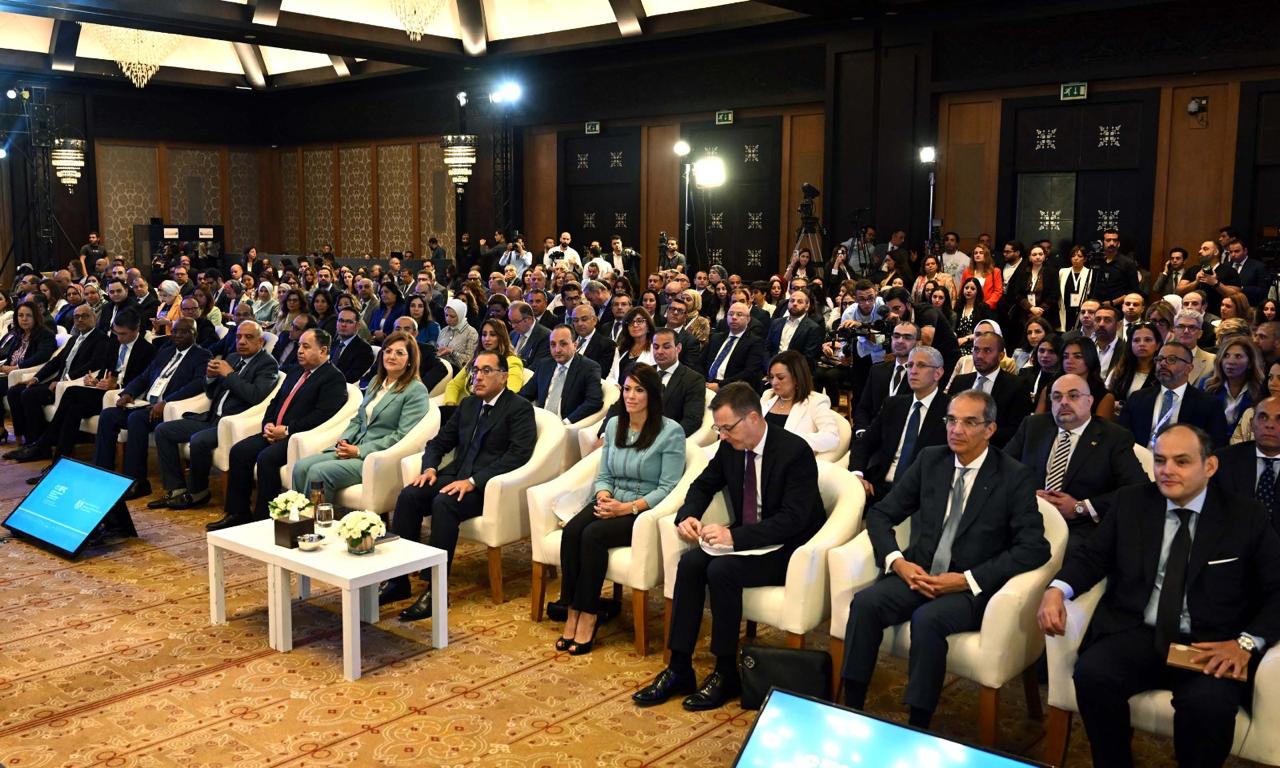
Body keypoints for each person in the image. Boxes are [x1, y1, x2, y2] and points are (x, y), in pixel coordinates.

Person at [1038, 423, 1280, 768]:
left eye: (1182, 461)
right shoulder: (1131, 502)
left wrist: (1245, 643)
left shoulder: (1245, 516)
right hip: (1138, 630)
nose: (1167, 470)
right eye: (1160, 460)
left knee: (1207, 707)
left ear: (1209, 466)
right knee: (1093, 674)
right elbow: (1092, 557)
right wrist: (1056, 590)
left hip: (1209, 643)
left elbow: (1276, 589)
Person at [840, 390, 1049, 728]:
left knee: (928, 620)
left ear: (990, 429)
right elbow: (881, 514)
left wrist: (966, 580)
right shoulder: (931, 460)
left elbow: (1034, 547)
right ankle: (850, 707)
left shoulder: (1013, 476)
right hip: (918, 572)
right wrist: (897, 562)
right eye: (951, 420)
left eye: (969, 422)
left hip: (969, 588)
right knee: (865, 604)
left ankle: (918, 724)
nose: (956, 429)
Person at [633, 382, 825, 711]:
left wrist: (734, 538)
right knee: (691, 564)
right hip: (750, 538)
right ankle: (679, 667)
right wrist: (688, 515)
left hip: (791, 549)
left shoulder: (794, 452)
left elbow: (793, 519)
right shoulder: (731, 448)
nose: (722, 436)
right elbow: (703, 484)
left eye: (727, 428)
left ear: (753, 418)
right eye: (718, 429)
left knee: (723, 570)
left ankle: (725, 672)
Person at [390, 351, 538, 619]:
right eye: (475, 371)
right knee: (410, 495)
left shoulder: (519, 408)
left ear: (504, 377)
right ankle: (398, 579)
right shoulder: (469, 405)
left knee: (444, 503)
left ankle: (436, 590)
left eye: (486, 371)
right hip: (455, 474)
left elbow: (517, 456)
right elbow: (438, 443)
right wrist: (429, 468)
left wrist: (473, 481)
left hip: (487, 486)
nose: (477, 377)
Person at [555, 364, 685, 654]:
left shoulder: (670, 432)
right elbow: (604, 474)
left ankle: (589, 615)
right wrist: (603, 495)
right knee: (573, 531)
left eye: (639, 390)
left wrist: (626, 508)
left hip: (642, 510)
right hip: (611, 500)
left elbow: (668, 488)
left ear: (652, 395)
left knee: (593, 536)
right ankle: (572, 609)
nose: (630, 396)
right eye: (627, 389)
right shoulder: (615, 425)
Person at [209, 329, 348, 530]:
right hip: (275, 431)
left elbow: (323, 416)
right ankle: (237, 512)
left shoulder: (333, 378)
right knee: (239, 451)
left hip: (299, 436)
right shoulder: (296, 371)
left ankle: (263, 520)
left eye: (306, 347)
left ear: (323, 350)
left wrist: (288, 430)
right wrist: (268, 423)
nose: (299, 351)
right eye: (299, 346)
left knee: (266, 459)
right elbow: (275, 402)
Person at [1006, 373, 1148, 555]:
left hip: (1079, 526)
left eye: (1073, 396)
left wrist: (1081, 507)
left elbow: (1138, 489)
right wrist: (1028, 495)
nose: (1064, 402)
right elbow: (1001, 469)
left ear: (1089, 401)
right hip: (1026, 516)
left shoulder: (1114, 437)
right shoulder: (1033, 426)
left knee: (1061, 554)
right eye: (1057, 397)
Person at [151, 321, 278, 509]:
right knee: (163, 431)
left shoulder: (267, 364)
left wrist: (229, 375)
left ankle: (198, 492)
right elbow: (212, 393)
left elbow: (255, 396)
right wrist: (210, 377)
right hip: (211, 418)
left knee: (199, 440)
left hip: (233, 423)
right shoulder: (233, 357)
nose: (242, 341)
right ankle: (176, 489)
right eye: (238, 337)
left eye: (248, 337)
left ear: (260, 342)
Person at [8, 309, 155, 469]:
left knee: (72, 393)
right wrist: (95, 380)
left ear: (136, 329)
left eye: (123, 334)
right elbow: (105, 370)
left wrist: (117, 386)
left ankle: (42, 444)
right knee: (74, 410)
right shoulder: (114, 343)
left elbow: (142, 381)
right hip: (102, 392)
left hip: (121, 397)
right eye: (116, 333)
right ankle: (57, 463)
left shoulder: (147, 350)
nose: (119, 338)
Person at [293, 331, 428, 500]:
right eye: (388, 351)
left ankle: (317, 516)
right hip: (353, 447)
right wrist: (345, 440)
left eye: (399, 353)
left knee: (318, 472)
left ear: (410, 360)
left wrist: (359, 450)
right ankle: (299, 516)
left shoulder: (415, 390)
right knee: (300, 467)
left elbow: (402, 435)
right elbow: (359, 419)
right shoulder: (376, 382)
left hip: (376, 457)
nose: (392, 356)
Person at [92, 318, 212, 500]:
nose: (177, 335)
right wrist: (129, 392)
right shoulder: (165, 352)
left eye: (184, 332)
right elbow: (145, 376)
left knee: (136, 419)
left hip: (170, 409)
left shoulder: (202, 355)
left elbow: (197, 385)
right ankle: (102, 472)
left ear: (194, 334)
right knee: (109, 415)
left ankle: (137, 482)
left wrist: (166, 402)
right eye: (175, 331)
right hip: (146, 404)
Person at [4, 304, 112, 452]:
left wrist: (64, 380)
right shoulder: (74, 339)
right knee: (15, 391)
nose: (80, 320)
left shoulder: (101, 339)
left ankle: (39, 443)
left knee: (29, 394)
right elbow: (55, 362)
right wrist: (35, 378)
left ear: (94, 318)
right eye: (76, 317)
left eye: (84, 316)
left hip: (70, 385)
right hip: (57, 382)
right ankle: (27, 441)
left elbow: (95, 364)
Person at [849, 345, 951, 498]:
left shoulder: (951, 410)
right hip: (879, 487)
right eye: (910, 365)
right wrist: (857, 475)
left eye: (921, 365)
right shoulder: (893, 405)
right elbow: (864, 444)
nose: (913, 371)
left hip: (921, 494)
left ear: (938, 373)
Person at [1116, 341, 1230, 449]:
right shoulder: (1137, 398)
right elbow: (1122, 438)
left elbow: (1216, 444)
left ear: (1188, 368)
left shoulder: (1208, 404)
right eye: (1159, 359)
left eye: (1171, 359)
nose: (1162, 363)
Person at [947, 331, 1029, 448]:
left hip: (995, 450)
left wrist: (977, 435)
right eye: (976, 350)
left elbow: (1016, 430)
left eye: (987, 351)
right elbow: (948, 417)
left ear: (1001, 356)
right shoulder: (960, 382)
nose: (979, 356)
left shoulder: (1016, 385)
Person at [1214, 395, 1280, 532]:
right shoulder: (1222, 461)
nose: (1269, 425)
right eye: (1263, 417)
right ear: (1251, 424)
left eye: (1279, 419)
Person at [760, 349, 841, 455]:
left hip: (789, 458)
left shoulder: (816, 401)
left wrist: (790, 440)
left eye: (780, 377)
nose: (774, 382)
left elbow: (832, 437)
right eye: (771, 377)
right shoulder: (767, 395)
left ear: (797, 378)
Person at [519, 324, 603, 424]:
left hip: (566, 424)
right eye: (553, 344)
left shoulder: (589, 368)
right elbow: (525, 394)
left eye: (563, 344)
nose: (557, 350)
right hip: (540, 421)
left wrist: (566, 422)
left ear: (575, 345)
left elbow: (594, 402)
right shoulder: (544, 365)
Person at [1202, 335, 1266, 438]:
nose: (1230, 361)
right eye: (1226, 356)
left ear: (1250, 363)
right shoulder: (1207, 384)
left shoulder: (1260, 389)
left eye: (1238, 356)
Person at [700, 302, 766, 393]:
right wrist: (702, 381)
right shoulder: (715, 338)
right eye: (730, 314)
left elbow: (749, 372)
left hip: (732, 389)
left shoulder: (755, 342)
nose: (734, 317)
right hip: (706, 384)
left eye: (739, 314)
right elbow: (700, 362)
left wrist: (721, 385)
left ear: (748, 319)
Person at [765, 289, 824, 372]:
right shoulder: (776, 323)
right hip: (772, 367)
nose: (795, 304)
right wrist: (769, 367)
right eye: (792, 301)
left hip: (795, 371)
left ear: (807, 306)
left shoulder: (813, 328)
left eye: (800, 302)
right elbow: (767, 348)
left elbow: (808, 357)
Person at [1105, 321, 1162, 404]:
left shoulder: (1163, 373)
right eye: (1136, 340)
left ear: (1158, 345)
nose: (1142, 344)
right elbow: (1107, 398)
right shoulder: (1119, 371)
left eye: (1148, 340)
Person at [328, 307, 376, 384]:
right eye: (340, 320)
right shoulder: (334, 344)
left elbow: (351, 378)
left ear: (357, 326)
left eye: (349, 322)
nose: (343, 324)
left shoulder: (364, 350)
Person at [436, 298, 479, 373]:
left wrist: (452, 352)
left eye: (452, 316)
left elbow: (470, 362)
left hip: (459, 373)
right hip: (439, 369)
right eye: (446, 315)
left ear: (460, 315)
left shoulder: (471, 333)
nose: (448, 319)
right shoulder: (444, 330)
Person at [962, 243, 1002, 312]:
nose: (978, 255)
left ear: (986, 255)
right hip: (970, 307)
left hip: (987, 307)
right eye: (975, 253)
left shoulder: (995, 271)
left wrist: (987, 304)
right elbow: (963, 289)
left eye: (981, 253)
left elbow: (998, 292)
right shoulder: (967, 271)